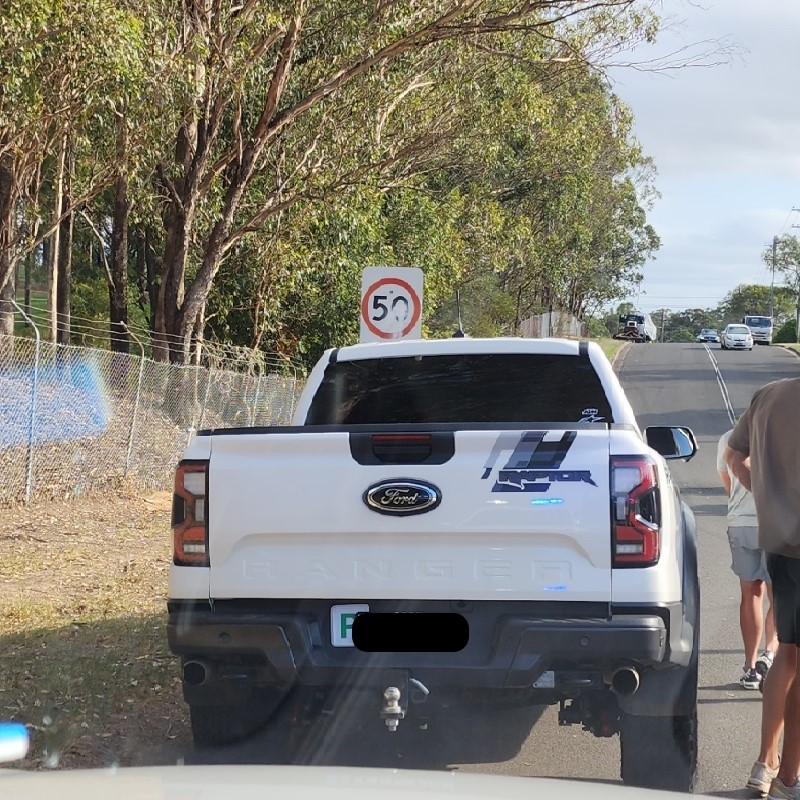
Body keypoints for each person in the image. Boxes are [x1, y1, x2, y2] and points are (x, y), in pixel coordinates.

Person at [725, 377, 800, 800]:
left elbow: (735, 456)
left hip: (782, 545)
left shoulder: (768, 395)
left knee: (787, 654)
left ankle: (765, 765)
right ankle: (789, 775)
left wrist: (769, 499)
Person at [717, 429, 777, 690]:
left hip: (741, 524)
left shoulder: (728, 439)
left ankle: (750, 667)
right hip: (777, 524)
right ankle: (771, 654)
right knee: (781, 595)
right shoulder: (780, 434)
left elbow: (727, 481)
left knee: (750, 594)